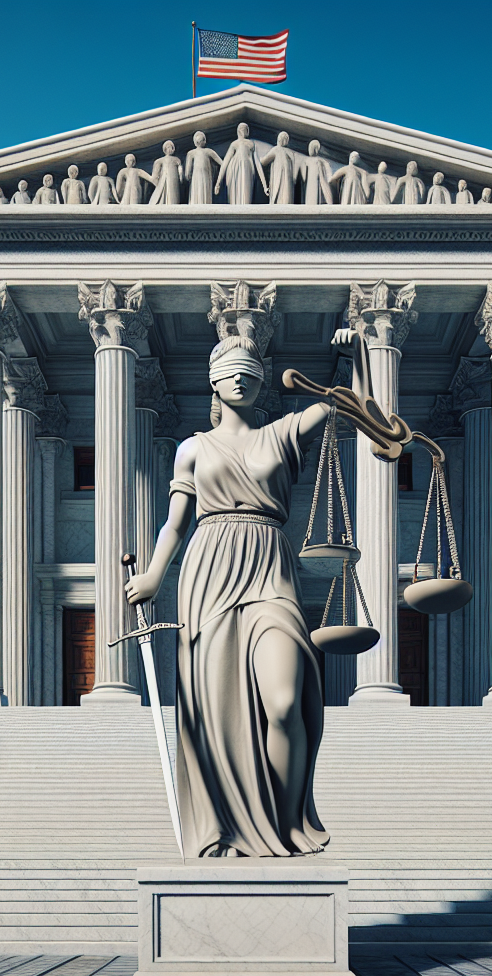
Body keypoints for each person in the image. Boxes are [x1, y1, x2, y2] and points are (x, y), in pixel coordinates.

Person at [125, 335, 341, 857]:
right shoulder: (194, 448)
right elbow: (175, 523)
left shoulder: (284, 433)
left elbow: (349, 405)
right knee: (216, 709)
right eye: (229, 370)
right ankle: (227, 826)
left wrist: (361, 357)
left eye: (250, 370)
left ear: (263, 380)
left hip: (270, 565)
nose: (239, 377)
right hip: (210, 571)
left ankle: (287, 823)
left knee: (285, 700)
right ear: (214, 381)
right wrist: (154, 574)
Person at [215, 123, 269, 204]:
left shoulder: (251, 144)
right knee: (234, 197)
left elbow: (258, 164)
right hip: (234, 170)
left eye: (245, 129)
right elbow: (225, 162)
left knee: (246, 195)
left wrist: (265, 186)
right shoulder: (234, 144)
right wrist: (218, 183)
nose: (242, 131)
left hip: (247, 170)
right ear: (238, 131)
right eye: (241, 129)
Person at [184, 131, 222, 204]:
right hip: (197, 177)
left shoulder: (208, 152)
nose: (201, 142)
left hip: (206, 176)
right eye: (200, 140)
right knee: (198, 191)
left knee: (204, 191)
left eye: (202, 140)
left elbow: (222, 163)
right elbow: (187, 172)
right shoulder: (191, 153)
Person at [261, 131, 296, 205]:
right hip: (288, 186)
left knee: (278, 194)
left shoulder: (276, 150)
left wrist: (259, 158)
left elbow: (264, 161)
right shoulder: (291, 153)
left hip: (278, 179)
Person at [149, 141, 183, 205]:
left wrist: (180, 178)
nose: (169, 149)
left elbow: (180, 171)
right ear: (165, 149)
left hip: (174, 178)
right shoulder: (160, 160)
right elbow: (155, 175)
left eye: (171, 147)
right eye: (168, 147)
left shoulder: (177, 160)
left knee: (173, 193)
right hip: (165, 178)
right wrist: (157, 183)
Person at [301, 140, 333, 206]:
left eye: (312, 148)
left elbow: (328, 173)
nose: (310, 150)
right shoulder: (306, 160)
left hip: (315, 183)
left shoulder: (320, 161)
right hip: (308, 184)